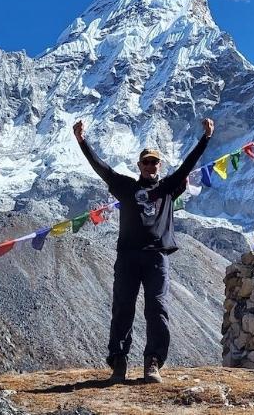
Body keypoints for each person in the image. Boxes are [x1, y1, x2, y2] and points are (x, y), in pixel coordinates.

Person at [73, 118, 214, 383]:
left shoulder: (168, 188)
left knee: (157, 308)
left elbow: (188, 165)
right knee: (123, 308)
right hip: (127, 256)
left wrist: (205, 139)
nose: (150, 166)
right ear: (139, 166)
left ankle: (153, 362)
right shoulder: (126, 186)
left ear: (159, 166)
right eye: (146, 162)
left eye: (154, 162)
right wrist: (82, 141)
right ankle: (119, 362)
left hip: (157, 257)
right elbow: (101, 168)